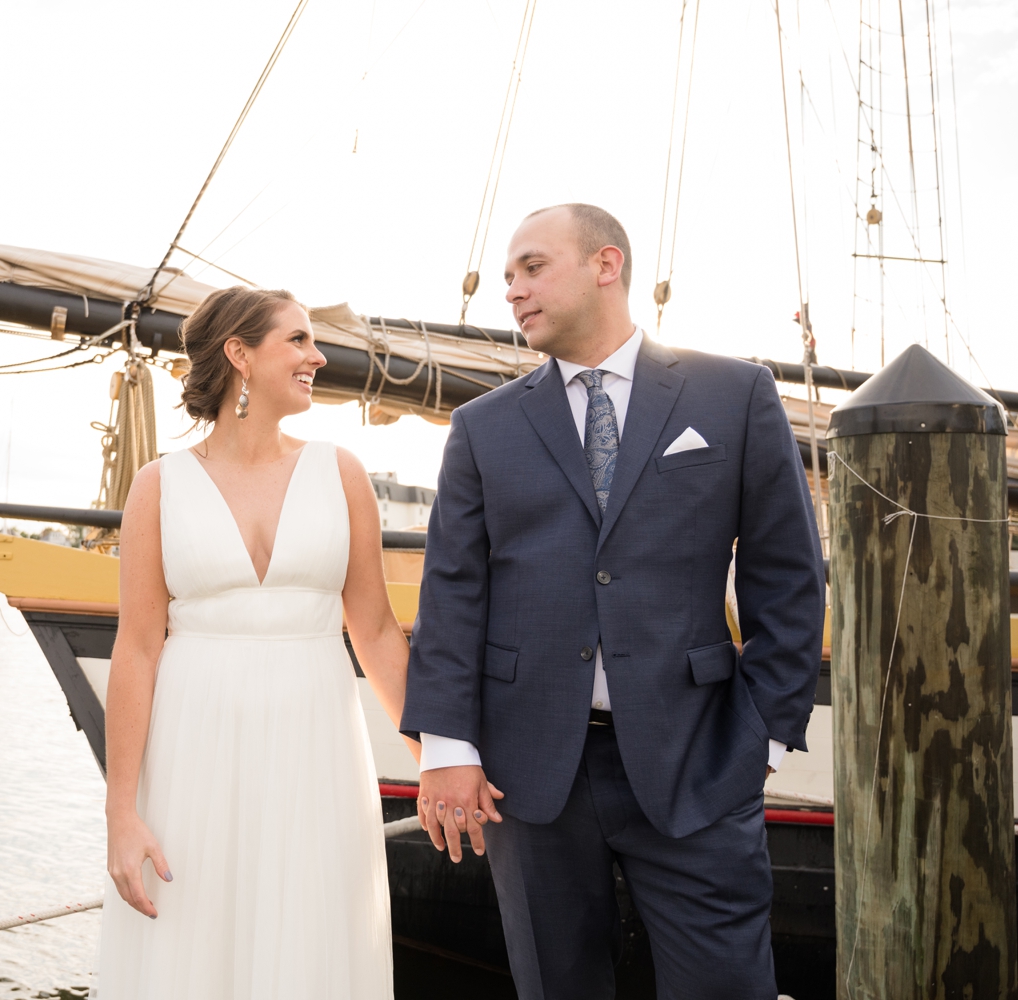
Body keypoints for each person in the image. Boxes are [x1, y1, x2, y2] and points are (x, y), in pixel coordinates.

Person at [401, 204, 824, 999]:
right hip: (526, 777)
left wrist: (763, 738)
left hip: (699, 758)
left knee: (726, 988)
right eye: (506, 279)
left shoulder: (734, 395)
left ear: (606, 264)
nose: (513, 292)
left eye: (532, 268)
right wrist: (446, 748)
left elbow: (789, 576)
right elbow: (454, 593)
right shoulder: (482, 428)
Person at [98, 286, 415, 999]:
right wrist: (121, 812)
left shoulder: (341, 472)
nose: (317, 354)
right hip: (192, 756)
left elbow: (374, 632)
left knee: (313, 942)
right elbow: (138, 650)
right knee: (191, 945)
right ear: (240, 355)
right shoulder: (157, 486)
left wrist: (437, 761)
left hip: (317, 751)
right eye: (297, 340)